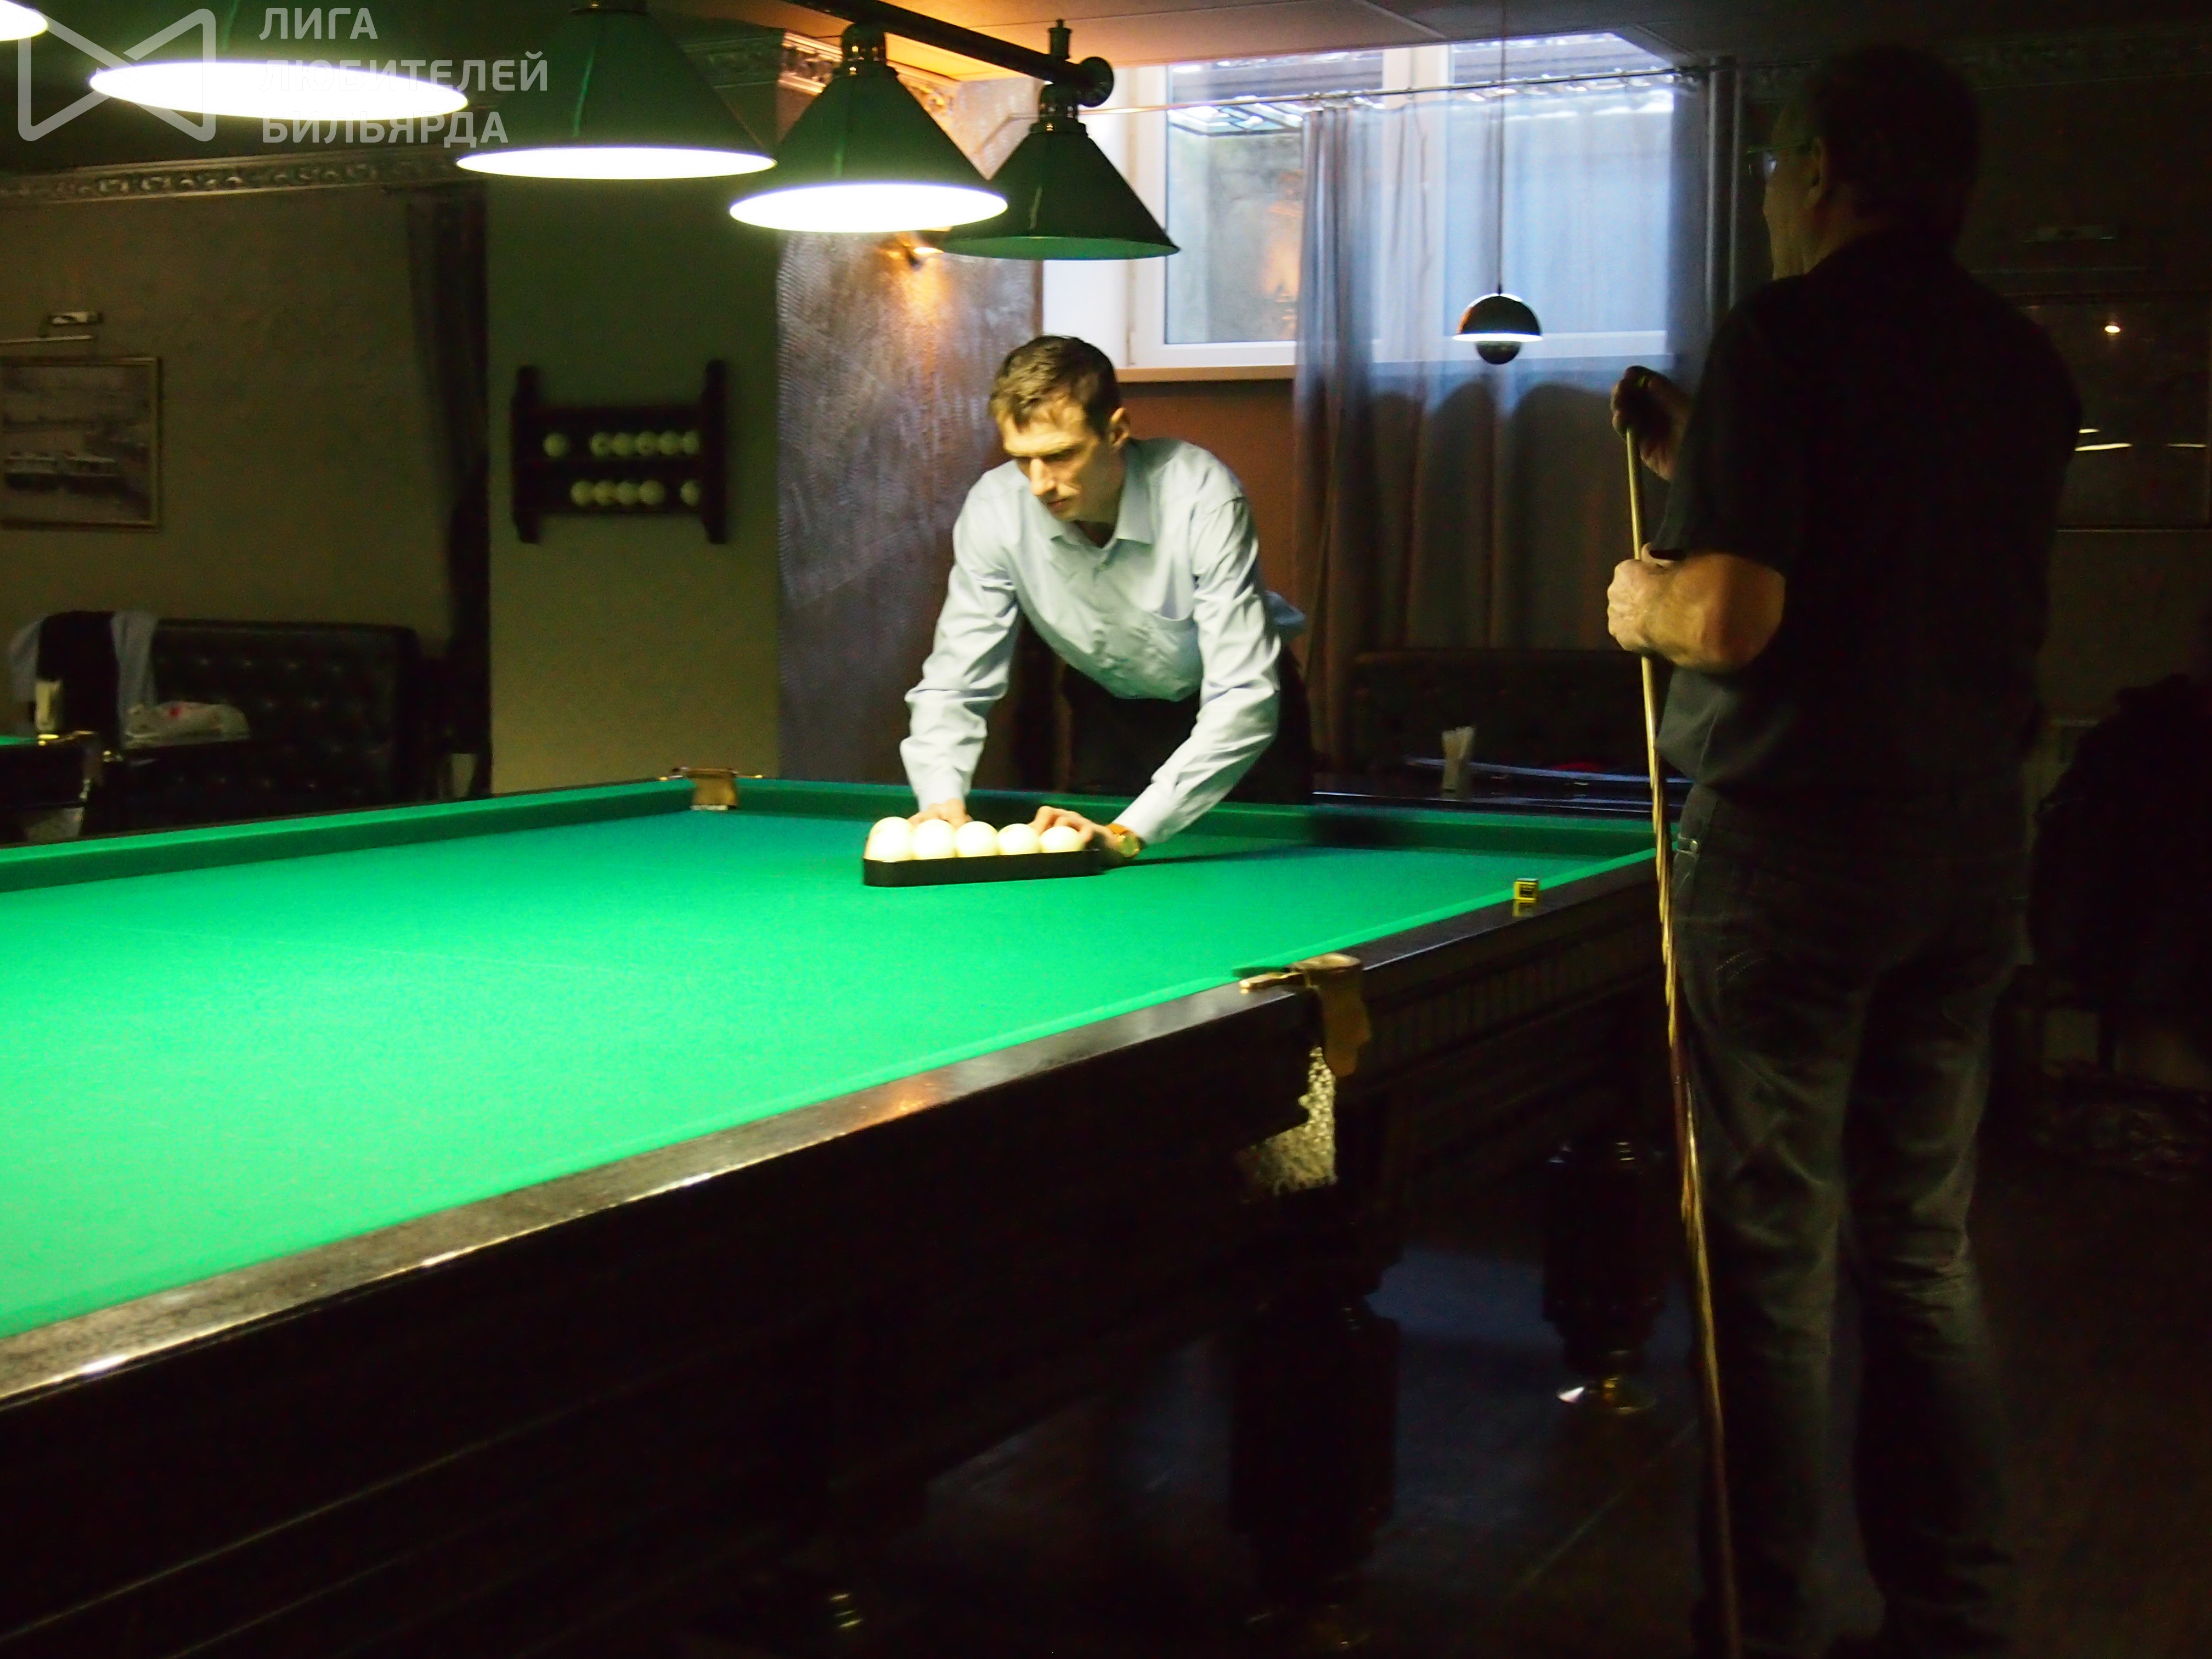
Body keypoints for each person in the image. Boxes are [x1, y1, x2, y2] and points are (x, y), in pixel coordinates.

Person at [1606, 45, 2079, 1659]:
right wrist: (1703, 457)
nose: (1768, 197)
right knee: (1921, 1251)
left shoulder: (1784, 333)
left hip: (1796, 859)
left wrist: (1644, 602)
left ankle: (1768, 1628)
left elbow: (1734, 617)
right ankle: (1957, 1620)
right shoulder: (2021, 361)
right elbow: (1889, 528)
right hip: (1971, 849)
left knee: (1770, 1267)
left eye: (1773, 170)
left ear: (1816, 171)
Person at [902, 336, 1310, 857]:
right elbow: (956, 681)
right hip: (1108, 710)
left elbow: (1242, 695)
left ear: (1116, 432)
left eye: (1060, 455)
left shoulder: (1200, 494)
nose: (1039, 484)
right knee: (1090, 873)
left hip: (1237, 712)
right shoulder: (995, 509)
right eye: (1022, 460)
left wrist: (1127, 832)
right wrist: (941, 801)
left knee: (1250, 882)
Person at [2031, 600, 2212, 1092]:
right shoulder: (2141, 742)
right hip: (2161, 976)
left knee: (2159, 1101)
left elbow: (2075, 863)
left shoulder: (2138, 739)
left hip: (2154, 974)